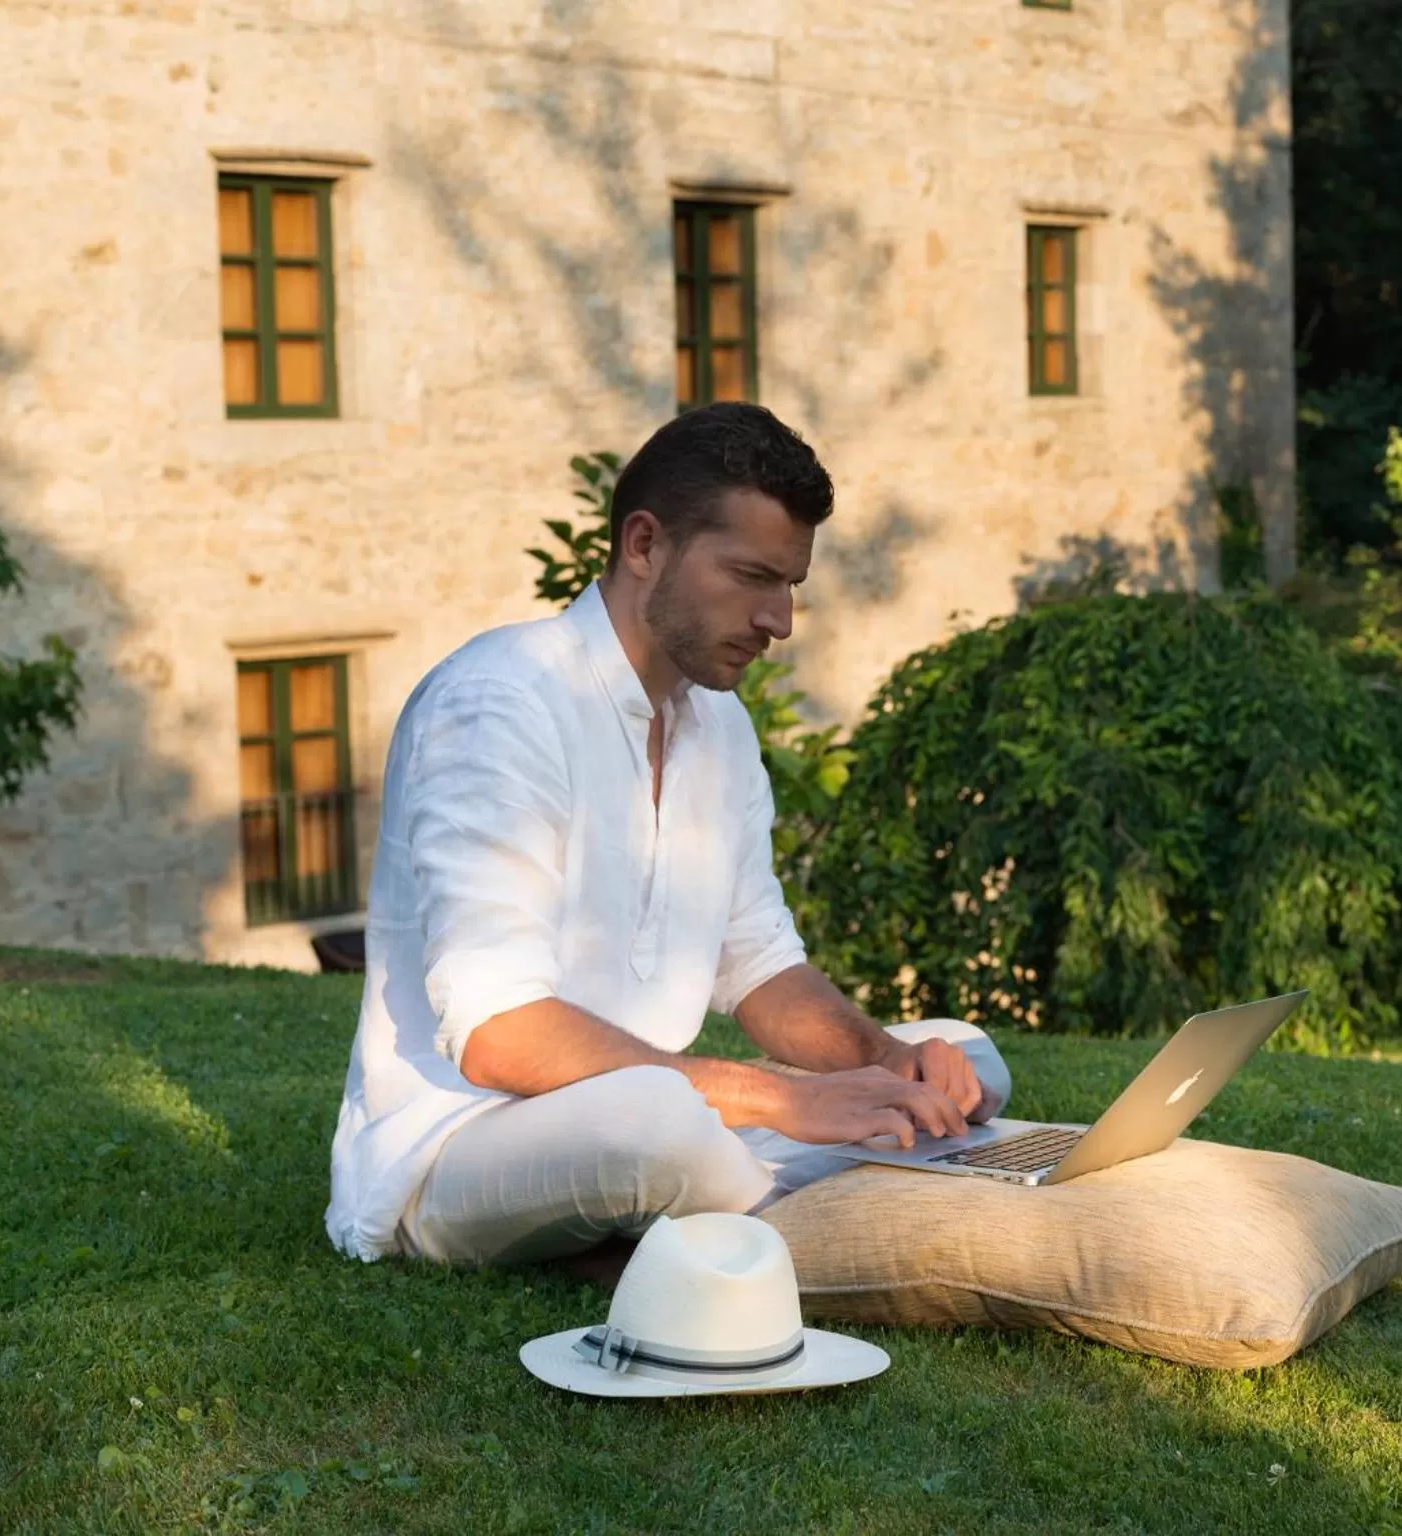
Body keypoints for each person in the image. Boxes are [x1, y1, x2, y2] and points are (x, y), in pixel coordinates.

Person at [325, 403, 1010, 1265]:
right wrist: (784, 1102)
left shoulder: (717, 727)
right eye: (752, 576)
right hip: (459, 1148)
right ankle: (863, 1222)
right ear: (644, 546)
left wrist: (885, 1064)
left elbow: (759, 963)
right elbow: (498, 1033)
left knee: (967, 1059)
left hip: (657, 1112)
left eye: (790, 583)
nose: (779, 620)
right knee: (654, 1125)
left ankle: (905, 1165)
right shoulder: (498, 702)